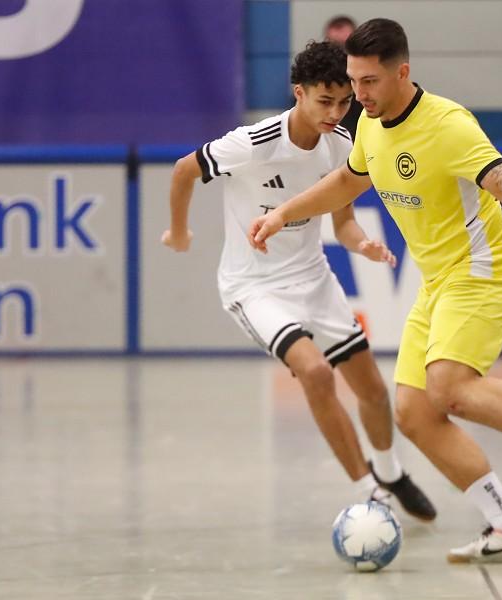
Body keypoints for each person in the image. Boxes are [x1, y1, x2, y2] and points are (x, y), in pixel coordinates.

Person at [249, 19, 502, 563]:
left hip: (482, 268)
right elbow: (348, 181)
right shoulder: (369, 123)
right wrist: (283, 213)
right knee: (415, 413)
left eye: (370, 81)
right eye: (354, 81)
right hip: (438, 281)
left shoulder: (448, 126)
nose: (358, 94)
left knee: (449, 387)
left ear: (402, 72)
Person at [162, 40, 435, 522]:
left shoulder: (343, 146)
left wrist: (362, 245)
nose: (335, 112)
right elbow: (185, 170)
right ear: (299, 93)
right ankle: (369, 491)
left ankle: (390, 472)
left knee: (374, 390)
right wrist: (179, 231)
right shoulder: (254, 142)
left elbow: (343, 223)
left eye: (344, 102)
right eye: (324, 101)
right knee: (315, 373)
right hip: (254, 287)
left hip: (314, 279)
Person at [323, 15, 364, 138]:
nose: (341, 54)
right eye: (335, 46)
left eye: (345, 46)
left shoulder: (367, 91)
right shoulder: (310, 85)